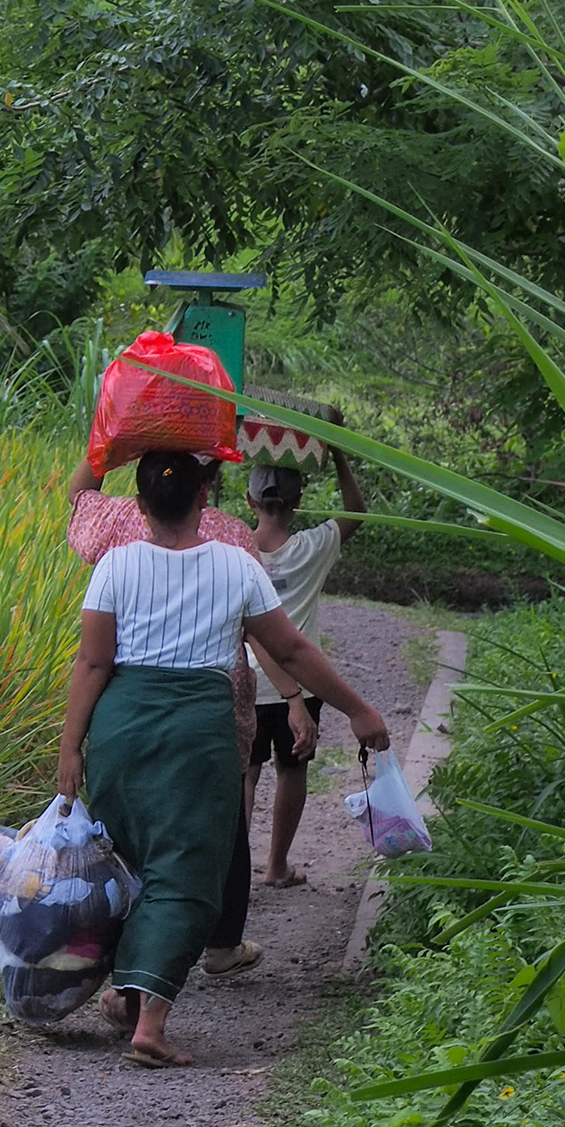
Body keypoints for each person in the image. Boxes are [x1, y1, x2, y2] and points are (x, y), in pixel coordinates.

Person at [56, 449, 390, 1068]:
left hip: (120, 727)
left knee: (127, 860)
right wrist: (357, 708)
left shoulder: (114, 565)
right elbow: (288, 648)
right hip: (196, 730)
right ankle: (149, 1024)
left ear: (139, 501)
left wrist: (71, 745)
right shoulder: (236, 566)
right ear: (206, 494)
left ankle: (128, 997)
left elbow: (93, 663)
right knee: (185, 872)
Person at [65, 454, 309, 979]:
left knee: (127, 843)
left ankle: (128, 974)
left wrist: (107, 445)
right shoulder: (235, 543)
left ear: (140, 495)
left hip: (121, 716)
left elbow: (78, 497)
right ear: (208, 487)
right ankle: (212, 946)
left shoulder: (115, 529)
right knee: (211, 835)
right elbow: (265, 635)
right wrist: (292, 696)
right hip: (213, 713)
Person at [246, 441, 368, 887]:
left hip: (245, 681)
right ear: (298, 504)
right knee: (291, 769)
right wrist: (338, 452)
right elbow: (356, 511)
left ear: (250, 501)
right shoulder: (313, 547)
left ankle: (234, 871)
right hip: (302, 683)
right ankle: (277, 867)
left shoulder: (236, 550)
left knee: (245, 773)